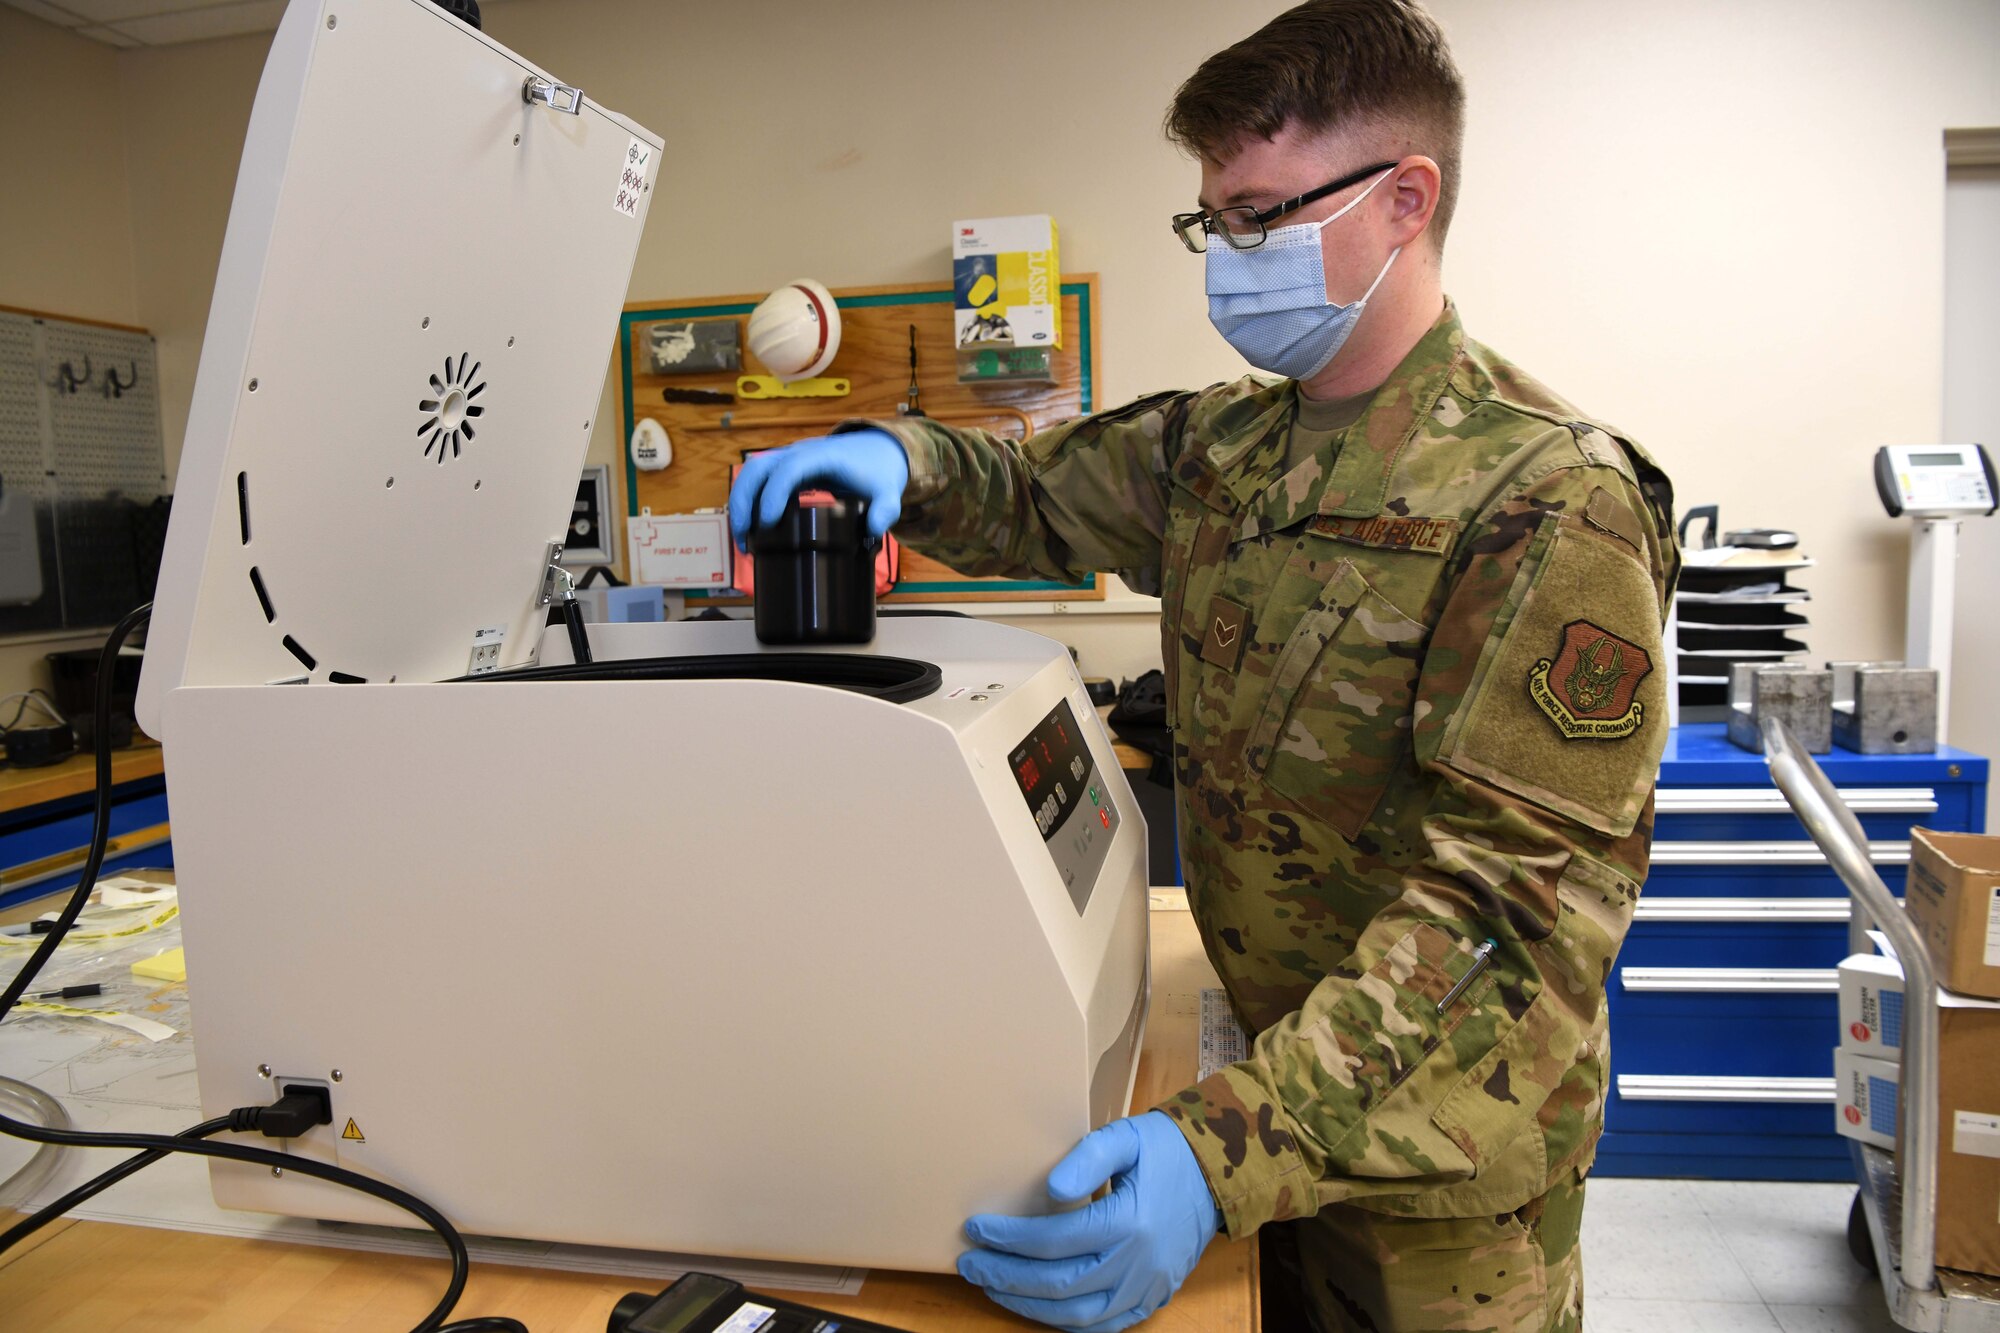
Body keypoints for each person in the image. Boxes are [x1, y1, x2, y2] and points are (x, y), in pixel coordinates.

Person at [730, 2, 1678, 1328]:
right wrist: (899, 458)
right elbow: (1035, 497)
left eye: (1257, 215)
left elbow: (1505, 920)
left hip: (1429, 1198)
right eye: (1211, 221)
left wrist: (1223, 1145)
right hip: (1255, 1100)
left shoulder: (1544, 500)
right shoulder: (1227, 446)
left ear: (1406, 200)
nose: (1227, 255)